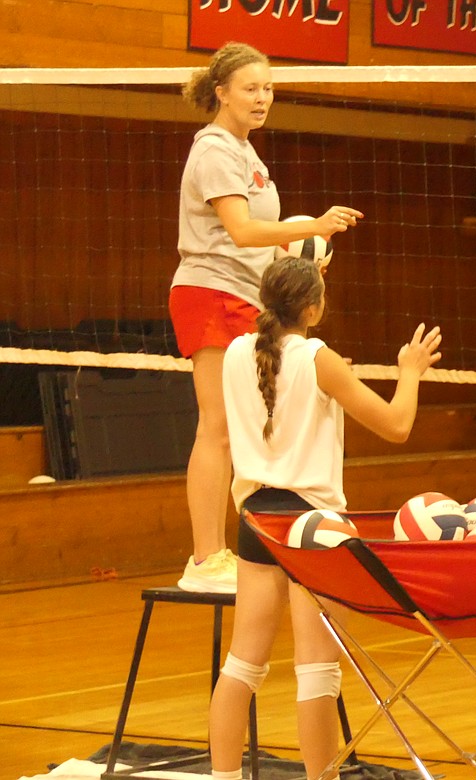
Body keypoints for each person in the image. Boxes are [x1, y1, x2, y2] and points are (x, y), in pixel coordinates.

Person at [210, 256, 442, 780]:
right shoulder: (319, 358)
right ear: (313, 309)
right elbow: (397, 424)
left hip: (255, 518)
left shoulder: (234, 352)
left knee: (242, 664)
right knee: (316, 668)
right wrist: (410, 371)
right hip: (312, 522)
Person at [171, 41, 364, 593]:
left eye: (269, 87)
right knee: (219, 427)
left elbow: (260, 246)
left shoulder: (248, 154)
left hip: (245, 295)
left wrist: (300, 260)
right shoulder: (212, 150)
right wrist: (314, 226)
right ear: (221, 92)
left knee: (253, 425)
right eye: (251, 88)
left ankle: (259, 547)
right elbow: (242, 232)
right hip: (208, 292)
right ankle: (206, 558)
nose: (262, 98)